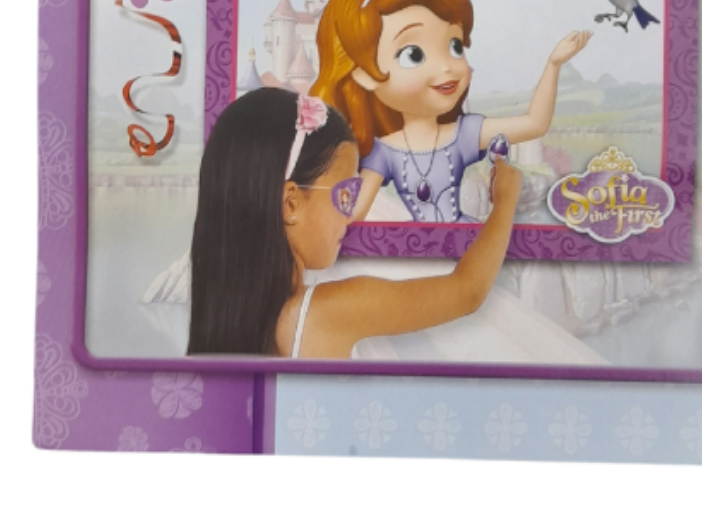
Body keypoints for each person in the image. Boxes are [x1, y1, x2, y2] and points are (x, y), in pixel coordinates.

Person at [187, 87, 522, 359]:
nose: (349, 214)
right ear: (291, 203)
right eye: (345, 194)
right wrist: (506, 201)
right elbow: (466, 291)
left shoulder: (217, 323)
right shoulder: (328, 312)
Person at [310, 0, 592, 224]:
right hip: (417, 247)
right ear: (366, 75)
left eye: (455, 46)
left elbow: (534, 124)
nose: (446, 66)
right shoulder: (384, 151)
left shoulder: (464, 134)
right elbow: (354, 214)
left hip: (464, 238)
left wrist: (553, 65)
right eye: (414, 54)